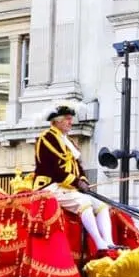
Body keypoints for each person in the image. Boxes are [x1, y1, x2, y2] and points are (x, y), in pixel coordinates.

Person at [32, 104, 120, 256]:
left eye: (71, 119)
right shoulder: (46, 138)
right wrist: (76, 182)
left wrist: (83, 180)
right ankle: (99, 244)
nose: (71, 122)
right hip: (51, 186)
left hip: (68, 187)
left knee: (101, 206)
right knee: (84, 203)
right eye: (67, 119)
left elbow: (78, 166)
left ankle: (109, 242)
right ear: (57, 121)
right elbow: (53, 168)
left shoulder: (68, 141)